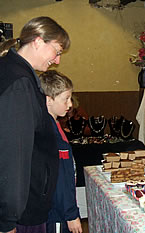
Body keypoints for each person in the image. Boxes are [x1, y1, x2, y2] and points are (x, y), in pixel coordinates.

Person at [0, 16, 70, 233]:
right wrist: (8, 219)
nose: (57, 60)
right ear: (38, 41)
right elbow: (14, 154)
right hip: (23, 211)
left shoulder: (15, 71)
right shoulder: (20, 83)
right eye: (57, 51)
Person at [39, 70, 82, 233]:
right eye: (66, 99)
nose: (70, 104)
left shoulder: (53, 124)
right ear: (49, 100)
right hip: (56, 213)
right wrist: (70, 214)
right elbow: (59, 178)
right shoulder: (50, 134)